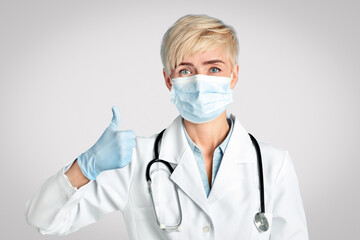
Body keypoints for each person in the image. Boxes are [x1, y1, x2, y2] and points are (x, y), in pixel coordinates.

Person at [25, 14, 309, 239]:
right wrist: (85, 166)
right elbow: (44, 221)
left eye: (214, 69)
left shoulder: (273, 164)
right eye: (186, 70)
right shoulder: (136, 161)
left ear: (233, 75)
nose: (200, 82)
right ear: (168, 80)